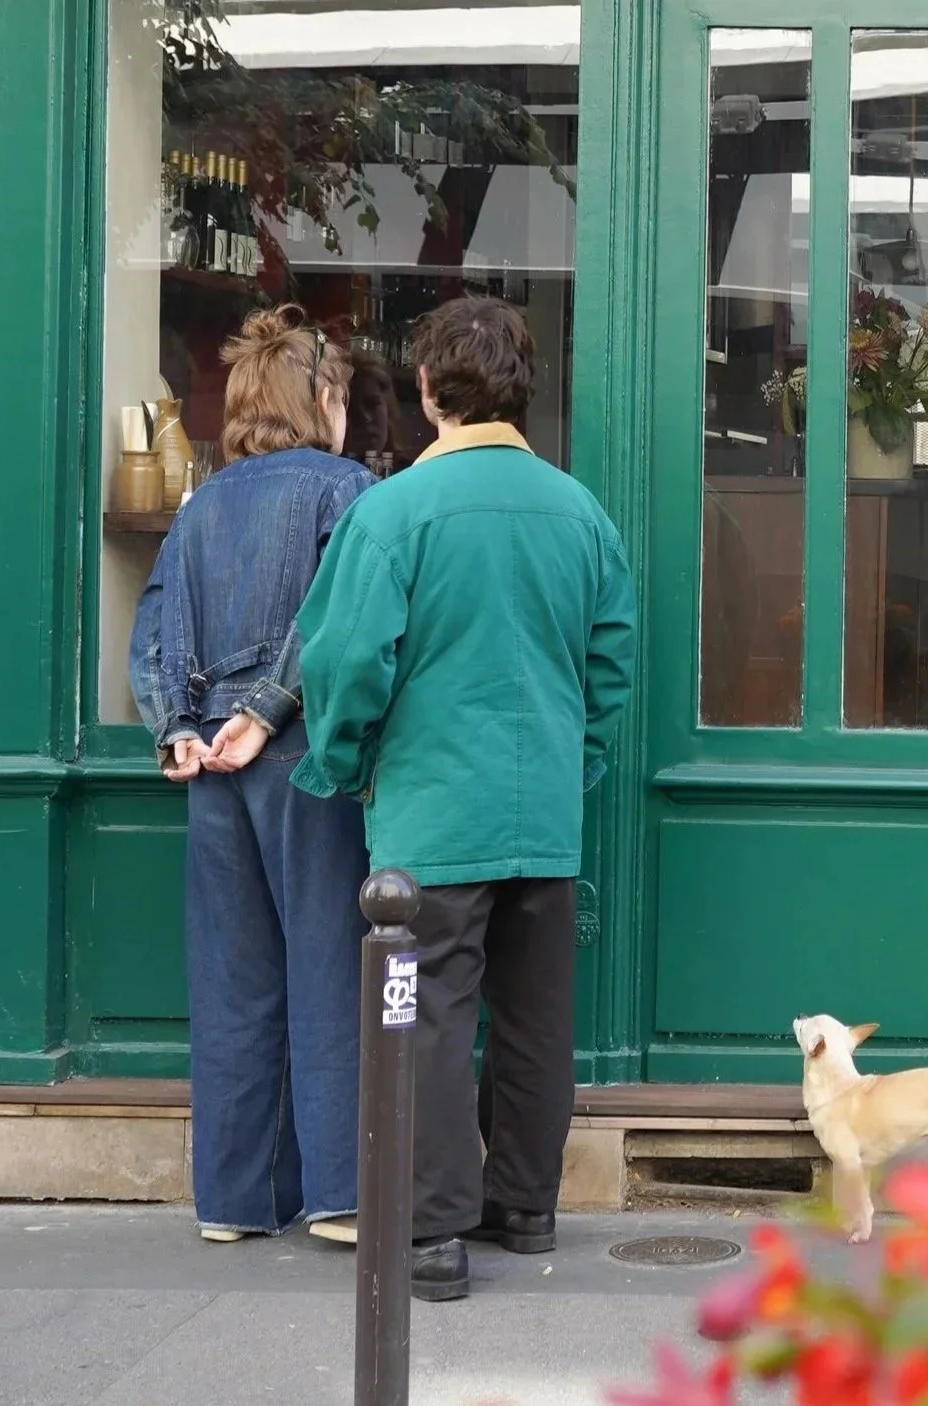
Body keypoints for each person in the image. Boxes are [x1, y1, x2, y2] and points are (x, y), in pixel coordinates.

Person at [291, 296, 636, 1302]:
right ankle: (525, 1206)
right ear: (523, 388)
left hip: (432, 813)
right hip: (544, 815)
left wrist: (347, 761)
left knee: (425, 1016)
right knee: (535, 1016)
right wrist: (576, 762)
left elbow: (344, 661)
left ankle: (433, 1231)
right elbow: (610, 667)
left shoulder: (393, 512)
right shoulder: (580, 512)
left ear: (427, 388)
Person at [129, 306, 374, 1246]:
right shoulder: (345, 489)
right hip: (303, 758)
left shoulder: (200, 505)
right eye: (341, 395)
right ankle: (340, 1193)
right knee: (328, 968)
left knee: (234, 982)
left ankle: (235, 1202)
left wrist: (177, 731)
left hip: (212, 766)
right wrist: (268, 709)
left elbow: (153, 628)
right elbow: (337, 619)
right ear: (321, 399)